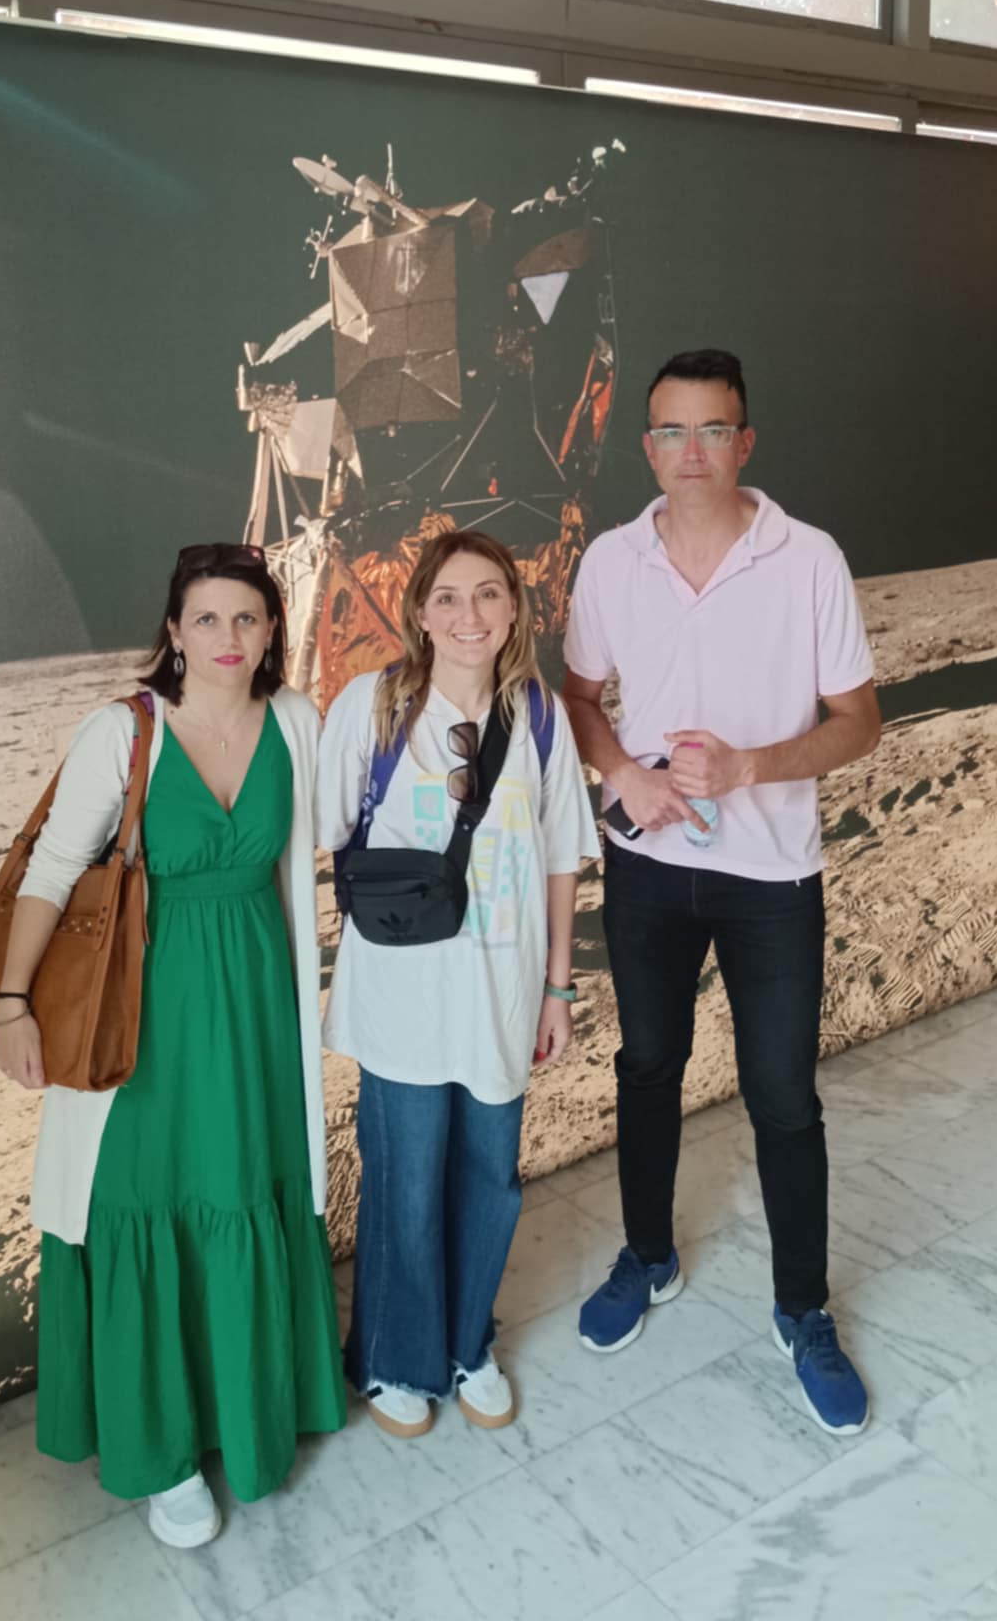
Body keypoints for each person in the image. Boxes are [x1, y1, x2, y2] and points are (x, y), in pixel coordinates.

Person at [0, 543, 344, 1549]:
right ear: (174, 631)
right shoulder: (123, 730)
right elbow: (53, 869)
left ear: (272, 629)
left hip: (258, 1005)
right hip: (143, 1010)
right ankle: (161, 1453)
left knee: (244, 1188)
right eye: (207, 618)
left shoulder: (297, 720)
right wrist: (15, 1003)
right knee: (140, 1197)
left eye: (248, 617)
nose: (229, 636)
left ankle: (248, 1412)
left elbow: (342, 834)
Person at [562, 349, 881, 1438]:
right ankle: (646, 1255)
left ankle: (803, 1311)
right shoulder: (610, 562)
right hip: (648, 869)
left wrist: (750, 766)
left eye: (712, 430)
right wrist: (625, 775)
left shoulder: (809, 558)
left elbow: (859, 722)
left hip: (772, 877)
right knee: (648, 1064)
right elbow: (578, 696)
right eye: (670, 431)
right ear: (646, 447)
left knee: (783, 1094)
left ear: (745, 442)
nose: (690, 452)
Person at [319, 528, 599, 1439]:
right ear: (420, 612)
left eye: (487, 594)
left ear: (514, 609)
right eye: (447, 596)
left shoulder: (540, 715)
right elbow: (327, 831)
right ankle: (394, 1358)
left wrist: (557, 990)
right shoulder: (373, 706)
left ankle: (468, 1342)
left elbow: (561, 856)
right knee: (405, 1183)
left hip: (501, 995)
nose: (467, 614)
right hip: (401, 995)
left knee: (490, 1179)